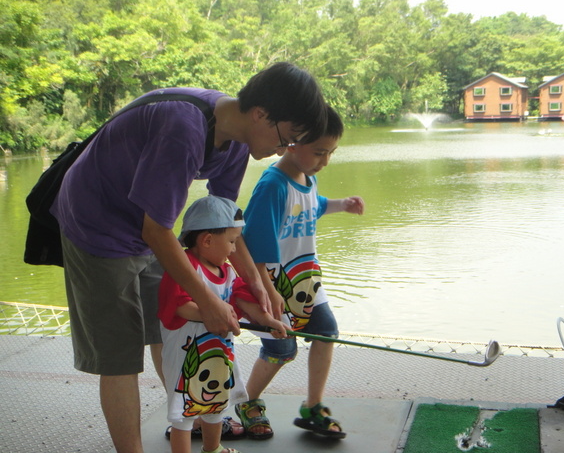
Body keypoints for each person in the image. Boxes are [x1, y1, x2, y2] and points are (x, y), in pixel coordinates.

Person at [51, 62, 328, 453]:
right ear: (261, 115)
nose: (284, 151)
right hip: (96, 223)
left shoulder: (235, 141)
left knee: (170, 325)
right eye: (287, 138)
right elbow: (158, 230)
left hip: (145, 224)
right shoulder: (184, 128)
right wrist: (210, 300)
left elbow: (229, 223)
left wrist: (261, 287)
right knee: (119, 354)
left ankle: (193, 414)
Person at [238, 107, 365, 440]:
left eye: (330, 153)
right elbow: (252, 245)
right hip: (271, 283)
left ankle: (313, 406)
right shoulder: (272, 185)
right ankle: (247, 402)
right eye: (319, 152)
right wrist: (268, 291)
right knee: (282, 350)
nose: (325, 160)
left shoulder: (307, 176)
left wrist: (342, 204)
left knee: (326, 330)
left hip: (305, 281)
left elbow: (313, 204)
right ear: (291, 143)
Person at [158, 195, 288, 453]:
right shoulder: (184, 268)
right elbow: (181, 306)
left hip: (220, 356)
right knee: (183, 416)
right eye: (231, 241)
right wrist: (214, 312)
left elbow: (243, 299)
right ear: (207, 240)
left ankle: (212, 448)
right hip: (187, 360)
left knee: (216, 405)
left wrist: (268, 320)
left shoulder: (226, 272)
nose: (233, 249)